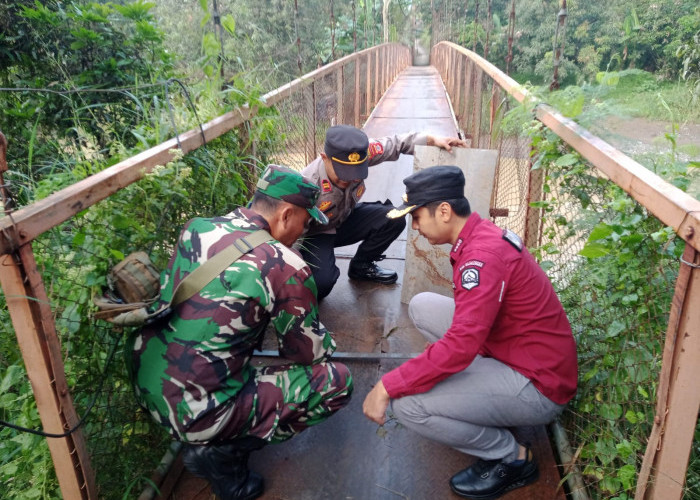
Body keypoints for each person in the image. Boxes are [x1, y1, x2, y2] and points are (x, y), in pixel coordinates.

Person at [129, 164, 353, 500]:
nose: (303, 234)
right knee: (336, 382)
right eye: (305, 224)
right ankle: (220, 452)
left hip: (148, 386)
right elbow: (305, 353)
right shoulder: (286, 265)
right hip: (195, 412)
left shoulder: (198, 228)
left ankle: (211, 429)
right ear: (286, 214)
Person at [362, 165, 578, 499]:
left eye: (417, 217)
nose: (415, 228)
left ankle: (513, 456)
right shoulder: (479, 234)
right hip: (517, 351)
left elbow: (461, 346)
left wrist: (387, 385)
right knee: (422, 305)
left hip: (539, 384)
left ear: (444, 211)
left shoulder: (482, 257)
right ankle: (484, 399)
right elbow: (467, 335)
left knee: (407, 406)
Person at [300, 125, 467, 300]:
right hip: (316, 233)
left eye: (355, 173)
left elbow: (396, 143)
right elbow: (292, 238)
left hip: (344, 219)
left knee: (393, 218)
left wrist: (432, 139)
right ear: (325, 158)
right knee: (321, 283)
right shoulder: (307, 185)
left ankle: (361, 266)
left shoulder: (360, 155)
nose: (350, 179)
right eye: (343, 174)